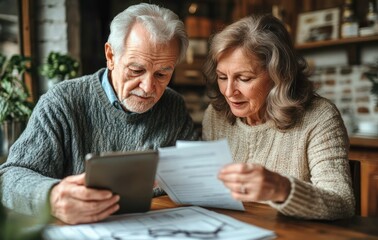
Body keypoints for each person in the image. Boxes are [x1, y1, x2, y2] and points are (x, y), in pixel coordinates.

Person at [0, 3, 198, 224]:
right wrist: (52, 197)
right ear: (111, 56)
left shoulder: (173, 105)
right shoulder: (62, 102)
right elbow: (9, 178)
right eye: (136, 70)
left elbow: (195, 173)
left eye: (162, 74)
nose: (148, 87)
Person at [202, 14, 355, 220]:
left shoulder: (320, 117)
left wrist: (282, 188)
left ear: (278, 75)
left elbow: (343, 203)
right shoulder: (215, 115)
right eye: (222, 77)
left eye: (244, 78)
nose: (229, 91)